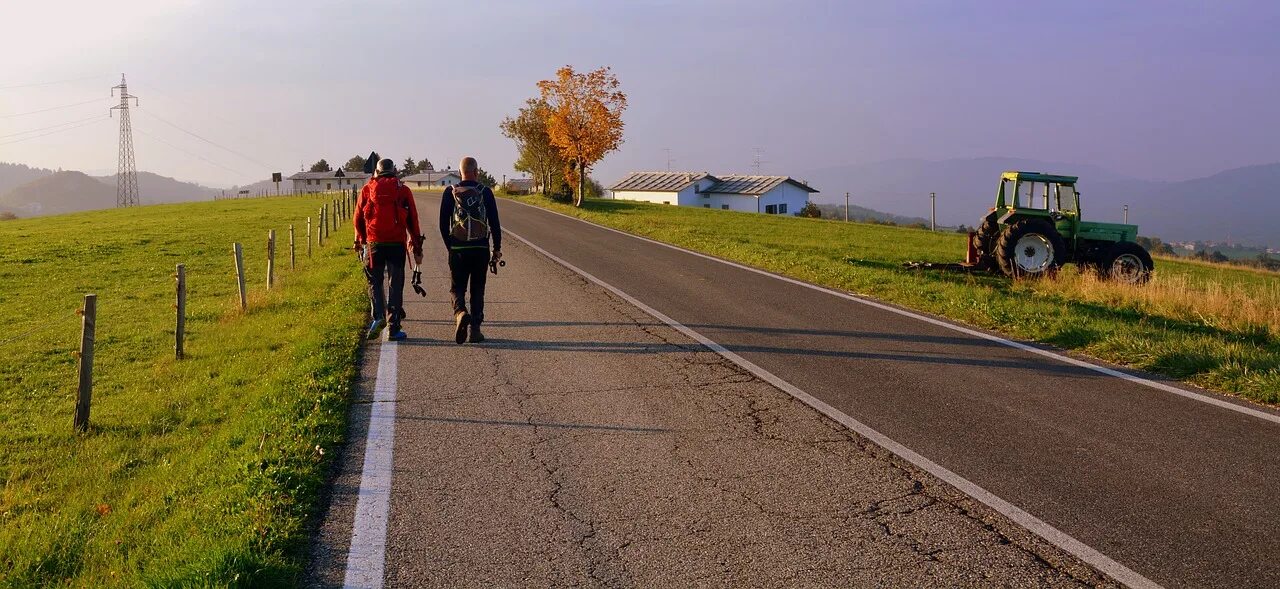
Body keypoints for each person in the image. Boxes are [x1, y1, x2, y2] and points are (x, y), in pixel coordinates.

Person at [354, 158, 423, 340]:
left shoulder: (368, 189)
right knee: (395, 285)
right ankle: (394, 328)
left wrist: (360, 240)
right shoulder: (403, 190)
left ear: (376, 172)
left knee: (375, 282)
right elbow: (412, 219)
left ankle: (378, 317)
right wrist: (415, 242)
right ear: (394, 170)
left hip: (374, 244)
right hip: (396, 245)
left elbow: (358, 219)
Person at [439, 156, 502, 344]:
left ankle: (460, 312)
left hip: (458, 247)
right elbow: (495, 224)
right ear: (477, 172)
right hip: (480, 248)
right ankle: (475, 329)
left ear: (460, 173)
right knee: (477, 288)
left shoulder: (450, 192)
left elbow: (443, 224)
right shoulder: (486, 192)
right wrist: (496, 248)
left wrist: (450, 245)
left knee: (457, 287)